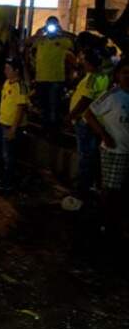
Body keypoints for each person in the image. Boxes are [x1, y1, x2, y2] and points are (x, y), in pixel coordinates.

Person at [84, 58, 129, 239]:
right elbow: (89, 114)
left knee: (122, 190)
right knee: (110, 190)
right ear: (117, 75)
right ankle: (105, 223)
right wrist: (104, 135)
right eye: (125, 72)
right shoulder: (112, 95)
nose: (128, 76)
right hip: (114, 151)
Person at [63, 48, 110, 209]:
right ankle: (89, 186)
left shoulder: (93, 78)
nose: (81, 61)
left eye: (83, 59)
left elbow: (85, 99)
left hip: (85, 122)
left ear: (89, 62)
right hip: (90, 121)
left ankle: (82, 189)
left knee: (86, 156)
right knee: (90, 155)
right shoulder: (101, 76)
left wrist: (70, 116)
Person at [30, 16, 75, 133]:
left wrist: (61, 32)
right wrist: (38, 33)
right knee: (43, 105)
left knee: (54, 105)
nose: (51, 27)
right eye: (49, 24)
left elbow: (74, 40)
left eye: (54, 24)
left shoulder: (63, 40)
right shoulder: (40, 40)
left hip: (56, 79)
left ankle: (54, 129)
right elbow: (27, 42)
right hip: (41, 79)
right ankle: (45, 128)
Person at [0, 58, 29, 194]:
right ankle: (3, 178)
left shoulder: (21, 86)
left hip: (11, 126)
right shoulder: (7, 83)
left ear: (16, 70)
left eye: (8, 68)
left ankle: (8, 183)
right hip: (1, 122)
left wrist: (14, 128)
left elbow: (21, 107)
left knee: (8, 156)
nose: (5, 71)